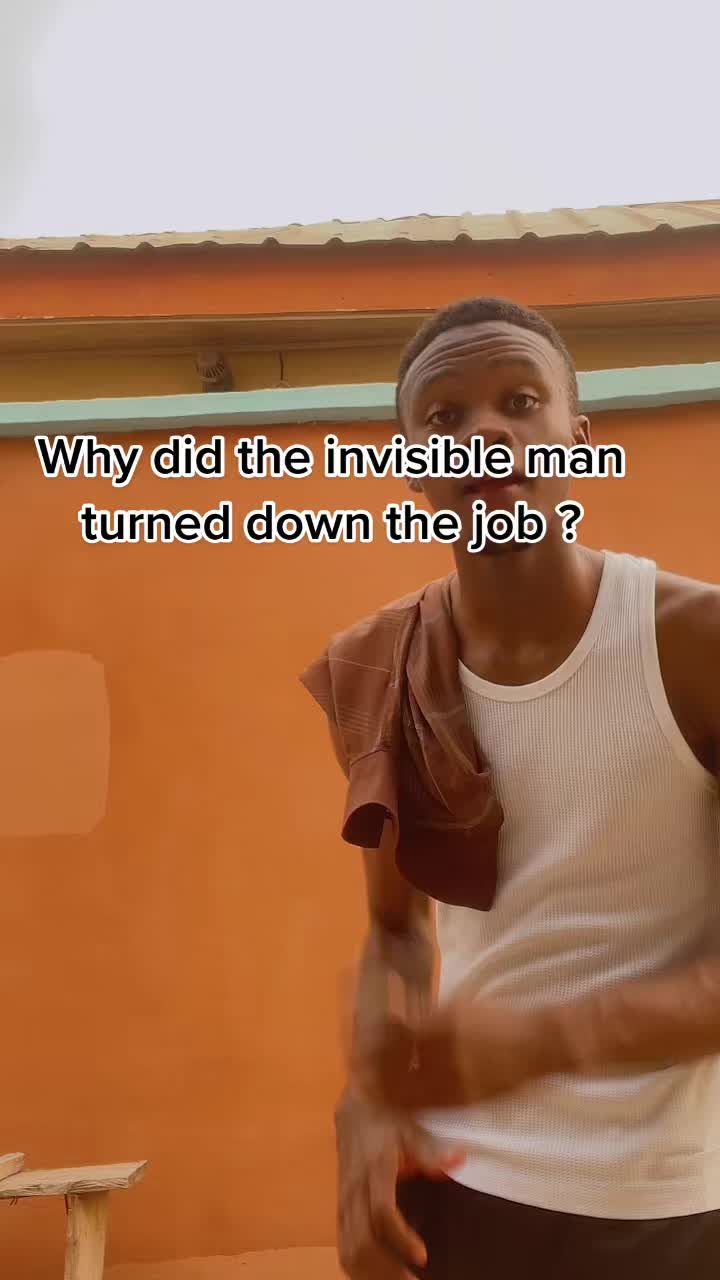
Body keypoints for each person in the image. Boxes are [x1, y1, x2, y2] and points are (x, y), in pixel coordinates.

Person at [300, 297, 720, 1278]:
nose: (484, 433)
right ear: (412, 467)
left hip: (668, 1201)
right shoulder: (383, 666)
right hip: (457, 1189)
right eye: (444, 417)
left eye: (520, 401)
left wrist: (544, 1039)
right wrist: (368, 1107)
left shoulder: (695, 646)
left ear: (581, 442)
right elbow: (397, 931)